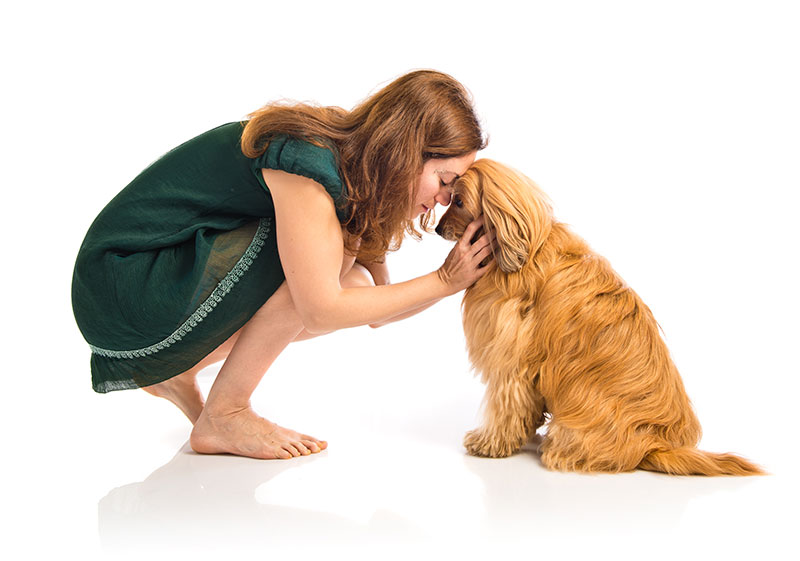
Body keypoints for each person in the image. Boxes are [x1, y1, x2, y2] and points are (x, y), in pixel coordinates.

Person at [72, 70, 494, 460]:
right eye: (443, 181)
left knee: (352, 278)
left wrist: (456, 281)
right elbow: (320, 309)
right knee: (320, 267)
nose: (442, 202)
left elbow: (374, 310)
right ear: (404, 152)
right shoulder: (309, 164)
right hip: (122, 282)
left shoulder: (354, 176)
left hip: (142, 291)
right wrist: (441, 281)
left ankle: (178, 372)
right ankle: (227, 413)